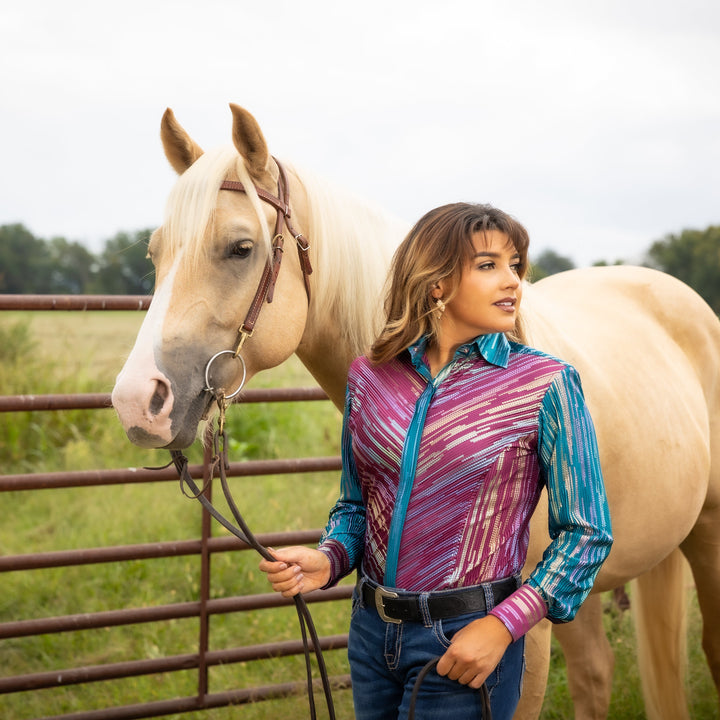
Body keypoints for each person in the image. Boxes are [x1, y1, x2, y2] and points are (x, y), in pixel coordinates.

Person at [259, 202, 613, 720]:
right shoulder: (370, 378)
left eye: (515, 264)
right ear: (436, 282)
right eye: (489, 265)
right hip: (371, 635)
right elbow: (358, 506)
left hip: (467, 638)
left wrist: (503, 626)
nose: (513, 280)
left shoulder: (545, 383)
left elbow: (587, 532)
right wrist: (330, 557)